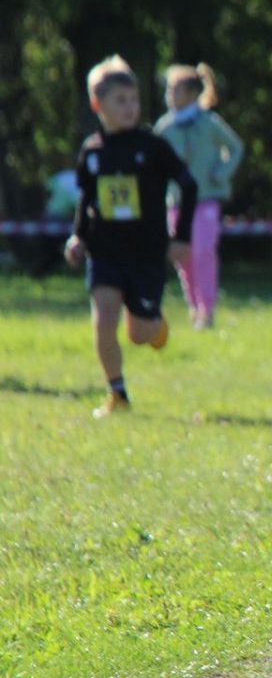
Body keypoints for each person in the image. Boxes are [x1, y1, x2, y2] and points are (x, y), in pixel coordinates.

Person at [63, 56, 197, 417]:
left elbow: (188, 184)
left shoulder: (152, 147)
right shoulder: (92, 151)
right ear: (98, 105)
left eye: (134, 100)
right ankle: (117, 394)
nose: (130, 107)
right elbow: (86, 199)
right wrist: (78, 238)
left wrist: (181, 237)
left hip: (146, 253)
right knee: (104, 317)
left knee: (140, 334)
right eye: (120, 100)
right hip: (104, 252)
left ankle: (154, 324)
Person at [154, 63, 245, 329]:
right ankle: (194, 307)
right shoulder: (165, 127)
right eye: (168, 90)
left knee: (204, 252)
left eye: (175, 90)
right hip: (177, 202)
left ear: (192, 93)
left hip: (206, 199)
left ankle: (207, 310)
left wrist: (221, 173)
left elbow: (235, 148)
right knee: (184, 256)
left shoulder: (209, 123)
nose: (169, 95)